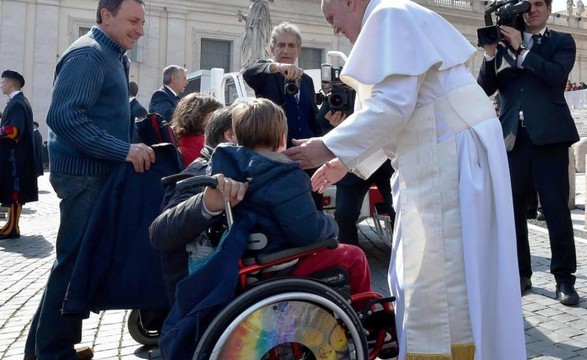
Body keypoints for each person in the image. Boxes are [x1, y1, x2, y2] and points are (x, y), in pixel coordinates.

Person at [284, 0, 527, 359]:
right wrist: (343, 161)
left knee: (440, 277)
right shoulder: (391, 18)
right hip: (447, 149)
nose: (333, 28)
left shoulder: (388, 15)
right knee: (453, 269)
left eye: (332, 17)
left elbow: (393, 107)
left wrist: (325, 146)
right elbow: (398, 112)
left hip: (447, 153)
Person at [23, 1, 156, 359]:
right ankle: (54, 352)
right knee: (73, 265)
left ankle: (45, 349)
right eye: (133, 21)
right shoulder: (89, 55)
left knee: (71, 264)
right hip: (83, 177)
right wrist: (123, 150)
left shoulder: (112, 55)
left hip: (95, 174)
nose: (140, 30)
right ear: (106, 16)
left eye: (142, 22)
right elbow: (65, 118)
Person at [477, 0, 580, 306]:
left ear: (549, 9)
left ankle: (564, 279)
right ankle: (521, 274)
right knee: (512, 212)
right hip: (512, 140)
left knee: (556, 212)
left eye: (538, 4)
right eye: (527, 5)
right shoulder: (503, 45)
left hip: (550, 139)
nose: (532, 10)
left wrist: (522, 49)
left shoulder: (562, 42)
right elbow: (484, 88)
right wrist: (490, 53)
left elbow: (555, 76)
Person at [150, 106, 240, 303]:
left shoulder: (229, 168)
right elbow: (159, 232)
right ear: (231, 135)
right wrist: (205, 204)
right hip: (198, 297)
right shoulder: (201, 172)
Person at [242, 21, 325, 210]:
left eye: (291, 45)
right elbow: (248, 71)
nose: (286, 50)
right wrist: (276, 67)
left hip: (308, 162)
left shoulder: (307, 81)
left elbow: (312, 117)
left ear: (299, 51)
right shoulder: (266, 75)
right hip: (276, 161)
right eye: (280, 45)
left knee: (314, 213)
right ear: (272, 49)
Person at [0, 70, 38, 240]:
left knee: (15, 194)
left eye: (2, 82)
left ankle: (13, 228)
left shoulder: (17, 103)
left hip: (15, 158)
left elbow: (14, 130)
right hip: (15, 157)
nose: (1, 85)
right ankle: (10, 225)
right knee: (13, 193)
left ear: (10, 84)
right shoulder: (18, 102)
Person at [169, 92, 223, 167]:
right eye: (212, 116)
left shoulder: (175, 139)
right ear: (197, 116)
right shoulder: (205, 143)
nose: (216, 120)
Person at [239, 0, 274, 68]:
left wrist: (258, 22)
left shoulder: (262, 4)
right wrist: (243, 17)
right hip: (250, 29)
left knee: (257, 45)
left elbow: (265, 19)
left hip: (258, 30)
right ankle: (250, 62)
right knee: (248, 46)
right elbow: (250, 18)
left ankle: (256, 61)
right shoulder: (252, 6)